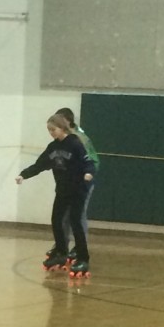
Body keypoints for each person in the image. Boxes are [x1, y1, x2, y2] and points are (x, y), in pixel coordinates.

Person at [16, 113, 94, 276]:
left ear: (62, 128)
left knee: (75, 221)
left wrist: (88, 173)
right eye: (49, 130)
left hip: (78, 189)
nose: (51, 133)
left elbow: (88, 162)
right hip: (63, 189)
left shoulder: (75, 143)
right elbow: (40, 165)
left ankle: (83, 258)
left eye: (53, 129)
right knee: (56, 220)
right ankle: (60, 252)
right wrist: (23, 175)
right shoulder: (53, 148)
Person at [55, 106, 100, 261]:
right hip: (70, 182)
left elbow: (92, 161)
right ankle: (62, 245)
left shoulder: (79, 138)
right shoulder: (63, 138)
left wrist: (86, 176)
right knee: (64, 215)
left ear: (67, 121)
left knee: (78, 214)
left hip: (84, 182)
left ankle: (80, 246)